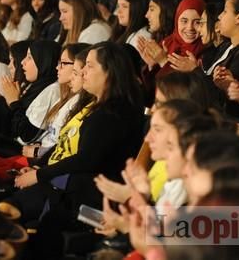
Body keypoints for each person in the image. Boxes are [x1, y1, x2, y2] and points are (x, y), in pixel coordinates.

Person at [10, 43, 144, 259]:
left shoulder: (113, 113)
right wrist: (38, 167)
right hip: (72, 188)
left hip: (87, 198)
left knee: (16, 212)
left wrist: (39, 175)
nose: (82, 72)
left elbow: (85, 160)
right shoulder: (102, 107)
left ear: (109, 71)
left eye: (89, 66)